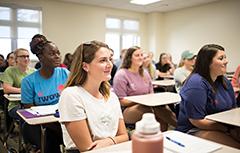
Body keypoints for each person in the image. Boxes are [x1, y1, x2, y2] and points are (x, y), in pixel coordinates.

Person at [58, 40, 128, 153]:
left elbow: (124, 136)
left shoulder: (112, 97)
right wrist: (115, 140)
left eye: (110, 59)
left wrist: (109, 141)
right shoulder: (71, 95)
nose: (110, 64)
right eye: (103, 60)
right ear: (85, 66)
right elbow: (87, 148)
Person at [176, 44, 240, 149]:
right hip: (194, 129)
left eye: (225, 57)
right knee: (236, 147)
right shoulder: (196, 84)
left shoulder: (224, 81)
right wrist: (227, 129)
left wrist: (234, 128)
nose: (226, 61)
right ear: (208, 62)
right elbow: (197, 121)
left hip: (223, 127)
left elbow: (233, 110)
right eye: (221, 58)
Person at [21, 34, 69, 153]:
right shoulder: (28, 81)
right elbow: (30, 111)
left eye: (58, 53)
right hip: (42, 124)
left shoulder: (65, 73)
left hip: (63, 120)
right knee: (50, 140)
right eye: (52, 54)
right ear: (41, 57)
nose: (57, 56)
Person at [113, 46, 177, 131]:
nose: (141, 57)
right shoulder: (121, 75)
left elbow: (151, 94)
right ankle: (180, 127)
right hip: (127, 110)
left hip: (148, 104)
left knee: (161, 108)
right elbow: (121, 101)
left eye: (141, 55)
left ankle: (167, 133)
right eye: (137, 55)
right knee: (149, 109)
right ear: (129, 58)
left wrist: (147, 100)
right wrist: (141, 100)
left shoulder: (145, 73)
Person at [1, 48, 35, 119]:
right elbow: (6, 89)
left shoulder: (34, 71)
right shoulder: (10, 70)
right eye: (22, 56)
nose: (26, 58)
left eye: (27, 56)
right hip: (16, 105)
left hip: (33, 103)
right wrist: (25, 90)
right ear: (16, 59)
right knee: (28, 115)